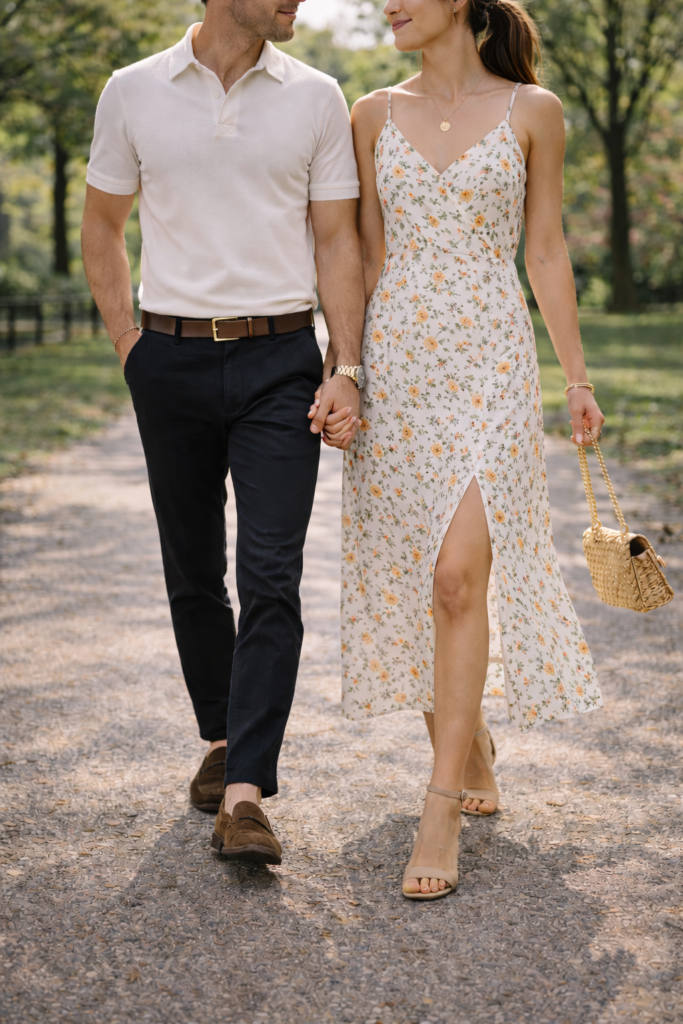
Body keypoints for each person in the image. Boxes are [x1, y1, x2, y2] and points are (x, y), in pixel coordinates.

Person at [324, 0, 605, 899]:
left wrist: (576, 378)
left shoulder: (534, 111)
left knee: (457, 577)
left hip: (490, 364)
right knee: (419, 577)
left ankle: (438, 803)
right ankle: (468, 736)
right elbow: (362, 260)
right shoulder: (368, 112)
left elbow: (547, 248)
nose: (388, 8)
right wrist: (350, 372)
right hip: (400, 368)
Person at [81, 0, 365, 866]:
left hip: (281, 358)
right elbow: (102, 223)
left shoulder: (317, 96)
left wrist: (343, 364)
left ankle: (245, 792)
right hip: (167, 357)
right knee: (192, 570)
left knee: (271, 571)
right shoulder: (131, 91)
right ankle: (220, 736)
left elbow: (336, 240)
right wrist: (129, 345)